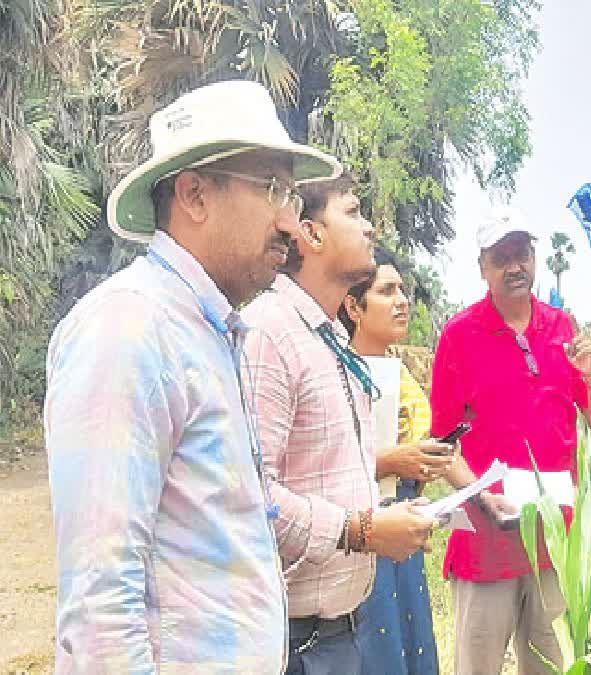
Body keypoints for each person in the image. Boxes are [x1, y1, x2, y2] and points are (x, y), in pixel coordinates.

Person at [43, 80, 342, 673]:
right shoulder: (128, 327)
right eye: (275, 190)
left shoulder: (209, 332)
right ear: (195, 196)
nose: (291, 222)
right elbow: (100, 600)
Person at [242, 175, 437, 674]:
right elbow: (251, 496)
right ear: (310, 234)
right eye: (353, 212)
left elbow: (326, 472)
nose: (369, 226)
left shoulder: (326, 338)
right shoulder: (272, 333)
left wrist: (383, 512)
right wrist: (363, 529)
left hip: (340, 631)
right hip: (296, 640)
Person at [429, 206, 591, 675]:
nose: (515, 266)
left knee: (551, 665)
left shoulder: (561, 328)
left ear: (534, 258)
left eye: (523, 254)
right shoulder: (459, 337)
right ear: (483, 268)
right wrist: (484, 497)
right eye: (502, 257)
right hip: (486, 543)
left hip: (553, 538)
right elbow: (442, 443)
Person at [340, 247, 451, 675]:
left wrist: (477, 492)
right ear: (353, 306)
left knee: (410, 646)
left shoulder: (395, 373)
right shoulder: (339, 373)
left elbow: (419, 448)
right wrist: (392, 461)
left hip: (405, 532)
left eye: (403, 289)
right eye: (387, 291)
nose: (403, 300)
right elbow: (321, 469)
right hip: (367, 535)